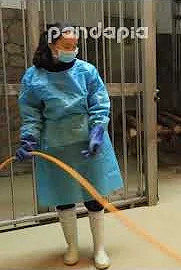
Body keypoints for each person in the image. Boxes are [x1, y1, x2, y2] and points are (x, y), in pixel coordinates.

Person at [15, 23, 124, 270]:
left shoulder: (86, 71)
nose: (72, 51)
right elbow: (31, 112)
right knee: (63, 198)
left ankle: (99, 249)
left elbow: (99, 103)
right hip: (56, 145)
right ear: (50, 46)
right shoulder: (33, 77)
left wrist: (97, 131)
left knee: (94, 197)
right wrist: (29, 138)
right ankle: (72, 247)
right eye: (66, 46)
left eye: (75, 46)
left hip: (89, 142)